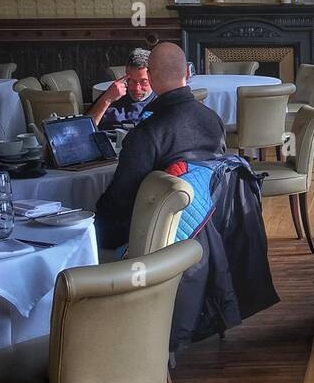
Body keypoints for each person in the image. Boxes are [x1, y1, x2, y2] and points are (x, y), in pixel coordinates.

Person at [95, 41, 225, 251]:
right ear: (187, 73)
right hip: (209, 227)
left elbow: (118, 202)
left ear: (152, 78)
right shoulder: (214, 120)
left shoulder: (147, 133)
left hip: (154, 240)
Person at [88, 48, 154, 130]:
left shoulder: (161, 101)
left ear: (152, 77)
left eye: (143, 82)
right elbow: (85, 128)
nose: (137, 88)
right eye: (131, 80)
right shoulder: (112, 95)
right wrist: (107, 99)